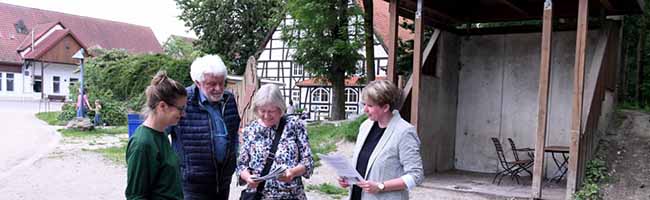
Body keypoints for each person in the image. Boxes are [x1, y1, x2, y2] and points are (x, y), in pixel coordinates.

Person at [168, 54, 242, 199]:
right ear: (198, 83)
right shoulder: (182, 101)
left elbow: (234, 137)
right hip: (191, 186)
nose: (218, 88)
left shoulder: (229, 100)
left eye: (222, 83)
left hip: (222, 183)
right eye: (212, 84)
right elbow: (160, 133)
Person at [337, 80, 424, 200]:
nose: (365, 110)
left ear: (385, 107)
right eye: (364, 104)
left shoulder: (404, 132)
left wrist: (381, 186)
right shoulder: (365, 126)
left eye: (370, 106)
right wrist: (348, 179)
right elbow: (362, 164)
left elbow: (416, 176)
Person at [238, 84, 314, 200]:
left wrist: (292, 172)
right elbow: (241, 165)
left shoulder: (295, 125)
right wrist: (248, 177)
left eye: (271, 111)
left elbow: (308, 161)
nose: (266, 116)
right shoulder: (250, 130)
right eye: (262, 111)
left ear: (280, 108)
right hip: (259, 195)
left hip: (291, 195)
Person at [125, 71, 187, 199]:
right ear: (162, 106)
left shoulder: (161, 135)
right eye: (180, 109)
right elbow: (136, 196)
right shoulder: (142, 144)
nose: (184, 114)